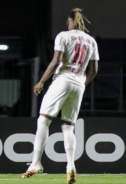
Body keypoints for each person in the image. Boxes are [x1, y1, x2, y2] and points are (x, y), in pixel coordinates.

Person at [21, 8, 99, 184]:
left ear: (70, 22)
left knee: (43, 120)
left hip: (63, 79)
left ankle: (35, 163)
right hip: (79, 83)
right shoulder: (91, 41)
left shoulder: (63, 36)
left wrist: (41, 81)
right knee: (68, 126)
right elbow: (94, 70)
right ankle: (71, 166)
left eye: (68, 21)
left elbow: (56, 61)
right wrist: (82, 84)